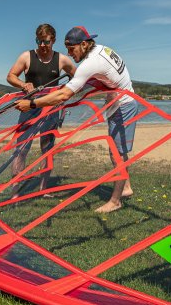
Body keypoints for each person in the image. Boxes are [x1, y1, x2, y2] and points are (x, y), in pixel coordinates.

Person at [14, 26, 138, 212]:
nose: (69, 53)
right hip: (120, 102)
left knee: (117, 154)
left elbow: (63, 95)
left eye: (71, 48)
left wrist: (31, 104)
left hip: (124, 105)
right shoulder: (101, 49)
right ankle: (126, 188)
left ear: (84, 44)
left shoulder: (90, 63)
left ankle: (115, 201)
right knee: (118, 151)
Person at [7, 23, 76, 197]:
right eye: (39, 41)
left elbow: (77, 76)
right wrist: (23, 84)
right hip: (28, 108)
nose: (42, 45)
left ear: (53, 40)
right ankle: (15, 191)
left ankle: (43, 190)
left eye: (46, 42)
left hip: (51, 111)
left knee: (47, 149)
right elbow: (10, 76)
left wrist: (67, 88)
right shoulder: (27, 56)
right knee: (21, 149)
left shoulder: (61, 59)